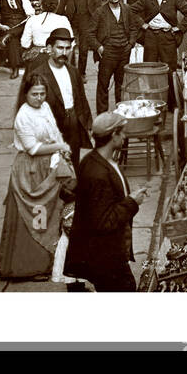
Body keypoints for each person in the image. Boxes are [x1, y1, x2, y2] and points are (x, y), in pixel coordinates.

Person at [0, 73, 72, 280]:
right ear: (25, 94)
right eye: (34, 94)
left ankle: (48, 262)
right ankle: (28, 267)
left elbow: (54, 131)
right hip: (30, 169)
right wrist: (60, 146)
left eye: (42, 93)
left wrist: (61, 149)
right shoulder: (23, 116)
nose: (39, 98)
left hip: (49, 164)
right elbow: (32, 148)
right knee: (32, 215)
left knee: (49, 213)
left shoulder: (45, 107)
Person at [65, 112, 150, 292]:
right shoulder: (97, 173)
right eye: (122, 133)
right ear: (113, 136)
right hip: (105, 257)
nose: (125, 136)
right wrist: (133, 202)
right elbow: (103, 221)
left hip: (111, 253)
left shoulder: (97, 160)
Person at [33, 28, 93, 164]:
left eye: (67, 48)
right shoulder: (39, 75)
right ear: (49, 48)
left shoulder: (73, 72)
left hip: (73, 123)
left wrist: (87, 124)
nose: (64, 53)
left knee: (74, 163)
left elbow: (82, 99)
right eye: (60, 48)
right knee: (53, 165)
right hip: (52, 125)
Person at [92, 0, 138, 115]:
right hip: (108, 52)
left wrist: (130, 44)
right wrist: (99, 47)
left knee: (121, 84)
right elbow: (89, 33)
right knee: (103, 85)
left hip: (124, 52)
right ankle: (102, 115)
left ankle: (121, 112)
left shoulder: (127, 9)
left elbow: (134, 28)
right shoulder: (100, 12)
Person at [60, 0, 102, 81]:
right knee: (70, 47)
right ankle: (70, 72)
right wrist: (56, 18)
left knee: (83, 49)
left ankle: (81, 74)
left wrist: (99, 22)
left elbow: (98, 6)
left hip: (86, 22)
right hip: (71, 21)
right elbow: (62, 4)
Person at [131, 0, 183, 69]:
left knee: (169, 68)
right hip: (151, 37)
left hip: (168, 36)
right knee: (150, 67)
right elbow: (130, 11)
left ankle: (170, 85)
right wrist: (142, 24)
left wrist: (179, 27)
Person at [0, 0, 34, 79]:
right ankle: (15, 68)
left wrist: (27, 22)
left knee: (26, 24)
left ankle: (7, 36)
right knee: (13, 40)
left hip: (23, 26)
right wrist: (0, 26)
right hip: (7, 27)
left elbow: (30, 14)